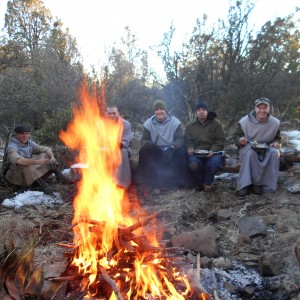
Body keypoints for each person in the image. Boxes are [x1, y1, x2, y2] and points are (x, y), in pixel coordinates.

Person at [136, 99, 188, 194]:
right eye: (156, 109)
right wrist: (150, 144)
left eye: (161, 109)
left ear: (166, 110)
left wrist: (172, 147)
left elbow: (180, 139)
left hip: (171, 149)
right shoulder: (149, 123)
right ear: (154, 111)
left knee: (182, 152)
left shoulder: (175, 122)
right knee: (143, 151)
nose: (159, 111)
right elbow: (143, 140)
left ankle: (176, 183)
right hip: (156, 149)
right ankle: (146, 183)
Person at [234, 97, 281, 198]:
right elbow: (236, 138)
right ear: (255, 109)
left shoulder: (275, 123)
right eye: (259, 108)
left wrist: (276, 143)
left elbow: (277, 138)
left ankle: (267, 185)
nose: (262, 110)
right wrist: (240, 141)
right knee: (251, 153)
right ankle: (245, 185)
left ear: (269, 109)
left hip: (267, 147)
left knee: (274, 153)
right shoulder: (244, 121)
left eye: (265, 108)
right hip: (248, 146)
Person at [5, 124, 71, 194]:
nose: (25, 136)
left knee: (47, 156)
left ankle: (61, 178)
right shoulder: (12, 147)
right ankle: (44, 186)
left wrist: (52, 157)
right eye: (21, 134)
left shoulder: (30, 144)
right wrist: (37, 162)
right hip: (16, 174)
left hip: (29, 170)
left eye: (26, 133)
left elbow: (46, 149)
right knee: (29, 167)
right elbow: (18, 161)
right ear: (16, 135)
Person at [185, 100, 226, 192]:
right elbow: (188, 141)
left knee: (213, 164)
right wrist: (190, 148)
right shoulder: (190, 126)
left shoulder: (216, 123)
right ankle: (201, 183)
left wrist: (213, 150)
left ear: (207, 111)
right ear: (196, 112)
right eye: (198, 110)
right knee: (194, 164)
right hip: (197, 153)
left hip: (213, 152)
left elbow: (221, 140)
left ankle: (207, 184)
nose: (201, 111)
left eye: (203, 109)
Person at [106, 105, 133, 190]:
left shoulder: (125, 124)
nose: (112, 115)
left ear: (118, 113)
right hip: (105, 149)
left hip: (122, 148)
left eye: (114, 113)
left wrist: (117, 144)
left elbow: (126, 141)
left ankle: (121, 183)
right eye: (109, 113)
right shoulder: (101, 124)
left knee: (122, 152)